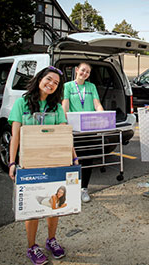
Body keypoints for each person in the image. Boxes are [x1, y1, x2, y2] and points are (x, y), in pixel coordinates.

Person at [8, 66, 79, 264]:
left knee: (55, 204)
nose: (51, 84)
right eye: (49, 79)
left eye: (56, 83)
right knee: (32, 208)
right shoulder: (22, 103)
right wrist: (12, 162)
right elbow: (15, 136)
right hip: (31, 163)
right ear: (39, 79)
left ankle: (51, 240)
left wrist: (74, 158)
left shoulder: (56, 107)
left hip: (54, 162)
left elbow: (66, 135)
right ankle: (32, 246)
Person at [62, 62, 104, 203]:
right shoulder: (67, 86)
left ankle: (84, 188)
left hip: (90, 127)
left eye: (88, 72)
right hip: (74, 129)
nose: (84, 74)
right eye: (83, 70)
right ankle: (71, 189)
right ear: (76, 70)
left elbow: (97, 104)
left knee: (88, 159)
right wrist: (64, 122)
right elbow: (65, 105)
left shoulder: (91, 87)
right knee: (72, 159)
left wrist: (103, 116)